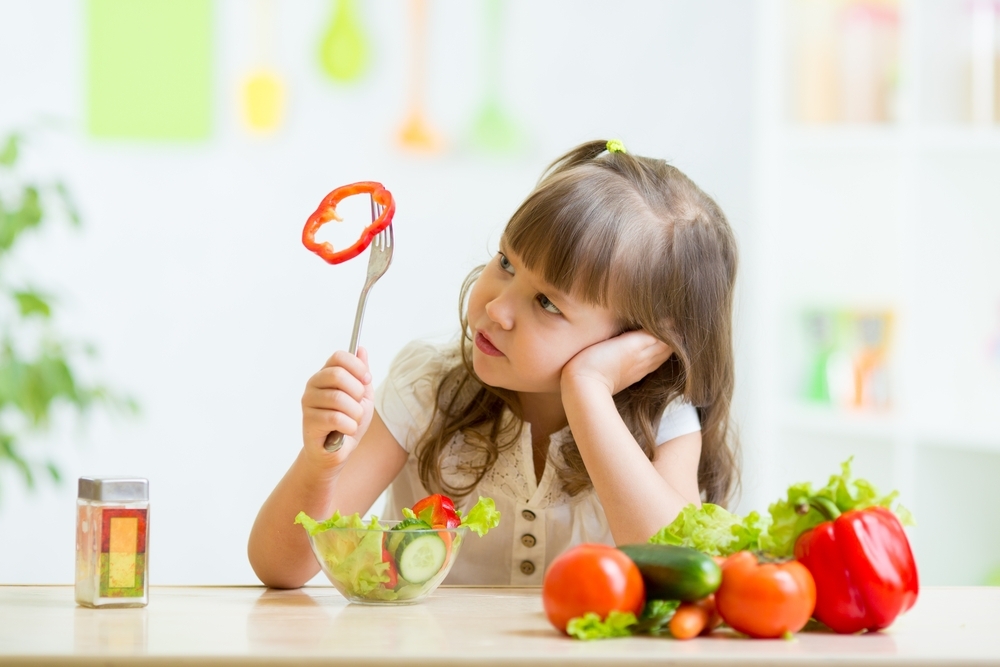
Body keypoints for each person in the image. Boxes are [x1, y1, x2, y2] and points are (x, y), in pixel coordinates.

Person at [248, 139, 740, 589]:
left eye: (548, 303)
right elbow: (282, 567)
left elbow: (680, 577)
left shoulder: (664, 420)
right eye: (506, 263)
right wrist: (319, 465)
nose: (498, 308)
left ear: (640, 342)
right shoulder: (427, 388)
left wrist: (587, 388)